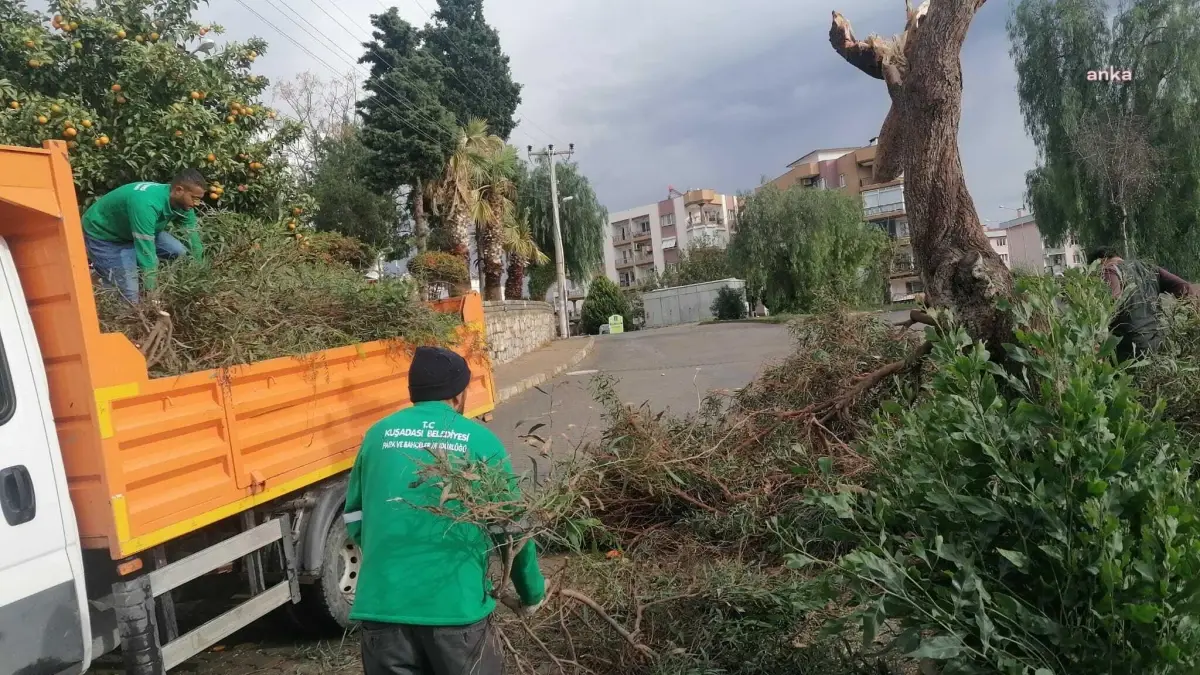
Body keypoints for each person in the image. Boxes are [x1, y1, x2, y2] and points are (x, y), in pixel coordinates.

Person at [343, 346, 546, 675]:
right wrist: (532, 591)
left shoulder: (377, 436)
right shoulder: (479, 440)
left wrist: (390, 561)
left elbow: (354, 517)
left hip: (382, 611)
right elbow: (512, 528)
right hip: (455, 613)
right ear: (459, 393)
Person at [82, 170, 207, 303]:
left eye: (199, 199)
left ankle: (121, 272)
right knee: (130, 297)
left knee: (181, 253)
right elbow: (146, 253)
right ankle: (102, 273)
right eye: (194, 198)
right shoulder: (147, 204)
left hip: (139, 230)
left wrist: (201, 277)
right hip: (106, 236)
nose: (196, 204)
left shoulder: (184, 206)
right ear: (179, 190)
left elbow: (194, 241)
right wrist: (152, 295)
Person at [1088, 246, 1198, 359]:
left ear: (1100, 261)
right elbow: (1185, 288)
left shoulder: (1108, 270)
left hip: (1128, 352)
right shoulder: (1150, 269)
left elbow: (1111, 301)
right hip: (1158, 346)